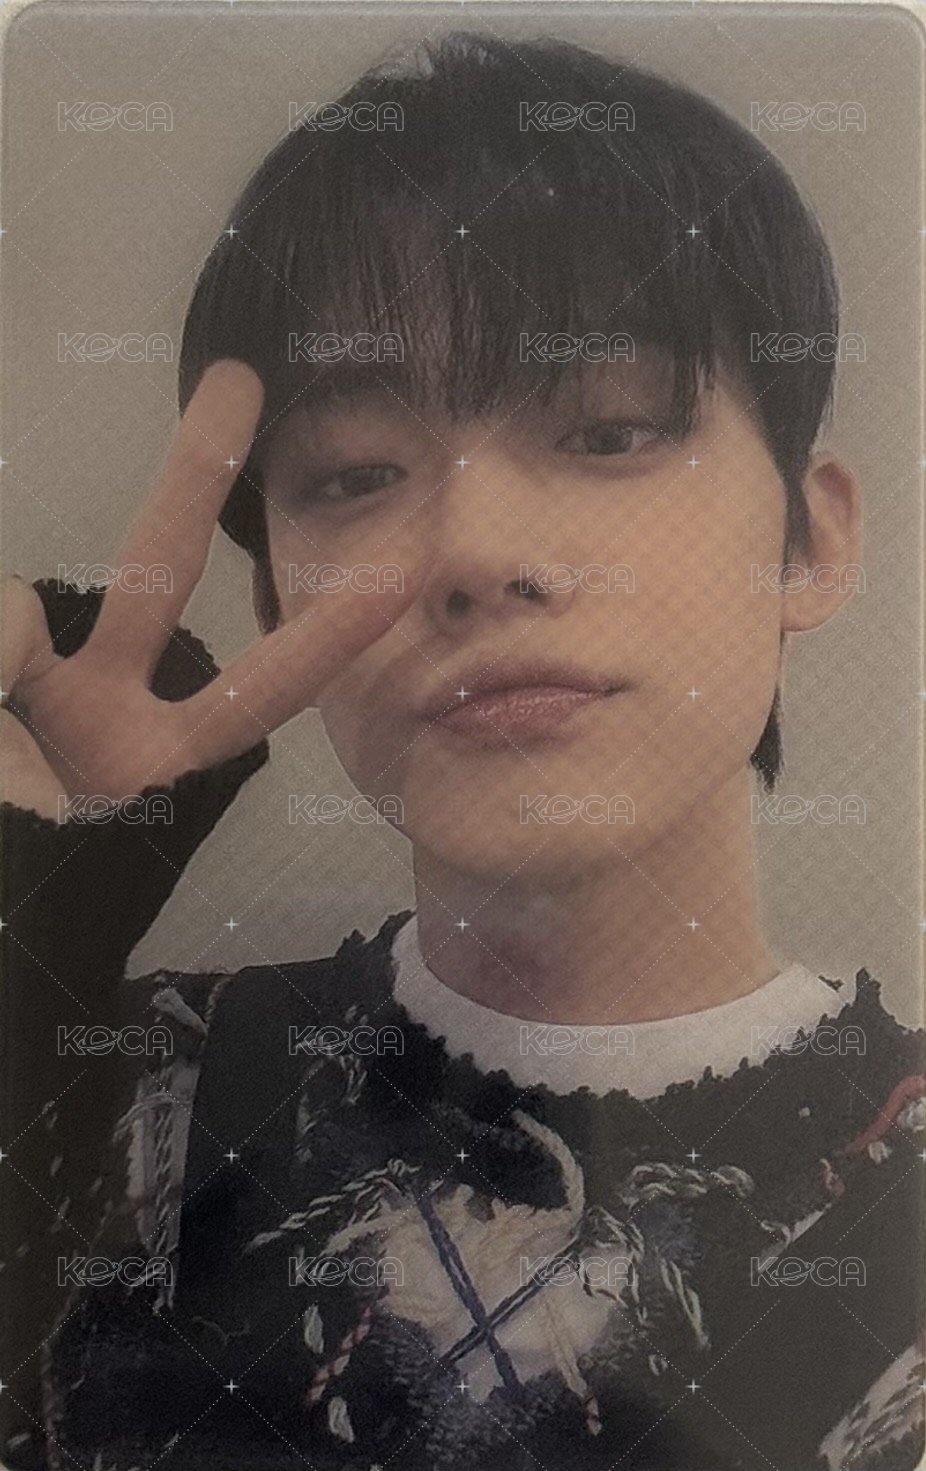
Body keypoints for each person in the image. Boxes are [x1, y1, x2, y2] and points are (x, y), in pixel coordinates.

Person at [1, 29, 923, 1471]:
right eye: (356, 473)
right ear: (272, 602)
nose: (477, 553)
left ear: (806, 541)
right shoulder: (124, 1093)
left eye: (609, 433)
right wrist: (29, 920)